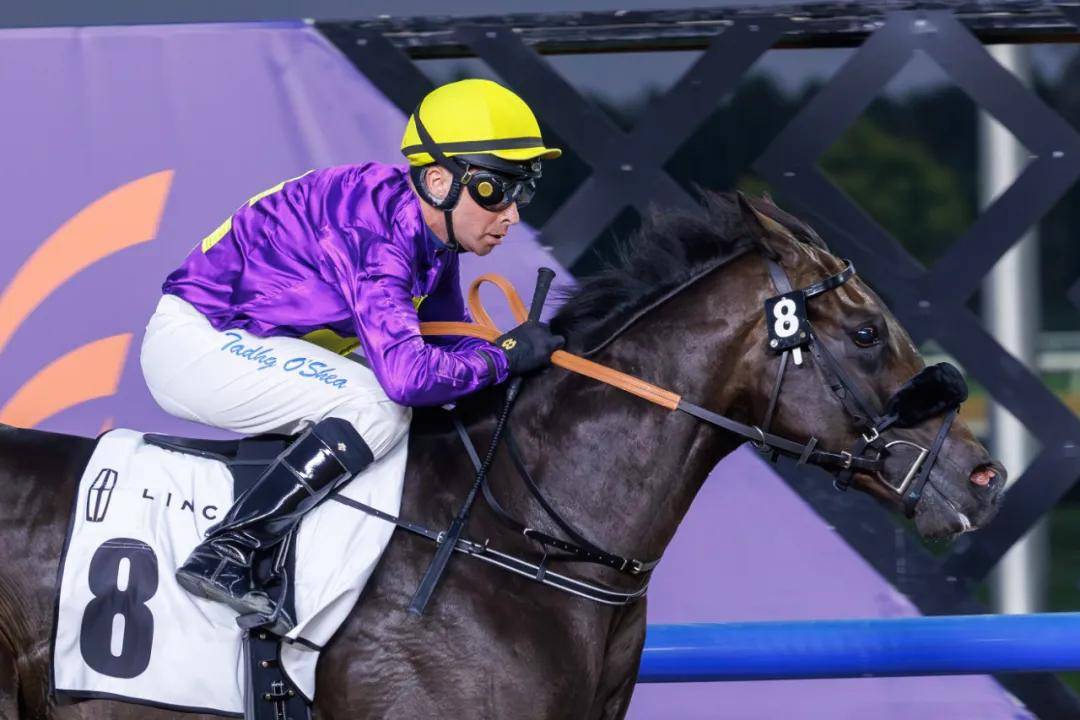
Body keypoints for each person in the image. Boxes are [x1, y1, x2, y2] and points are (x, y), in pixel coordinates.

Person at [139, 78, 565, 634]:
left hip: (260, 342)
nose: (510, 215)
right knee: (378, 406)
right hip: (200, 342)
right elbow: (409, 378)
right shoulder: (374, 231)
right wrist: (503, 358)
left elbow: (442, 339)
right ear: (439, 180)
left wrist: (517, 355)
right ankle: (226, 552)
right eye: (494, 191)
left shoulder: (430, 234)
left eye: (521, 193)